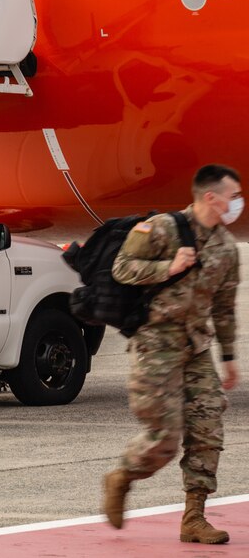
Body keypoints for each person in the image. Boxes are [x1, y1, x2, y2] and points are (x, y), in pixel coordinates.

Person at [103, 164, 241, 544]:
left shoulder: (227, 248)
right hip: (156, 345)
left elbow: (225, 307)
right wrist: (169, 267)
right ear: (210, 197)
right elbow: (122, 268)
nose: (238, 203)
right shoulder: (161, 228)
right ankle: (123, 476)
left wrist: (229, 356)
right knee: (165, 437)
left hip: (196, 348)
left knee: (208, 429)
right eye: (233, 196)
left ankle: (194, 516)